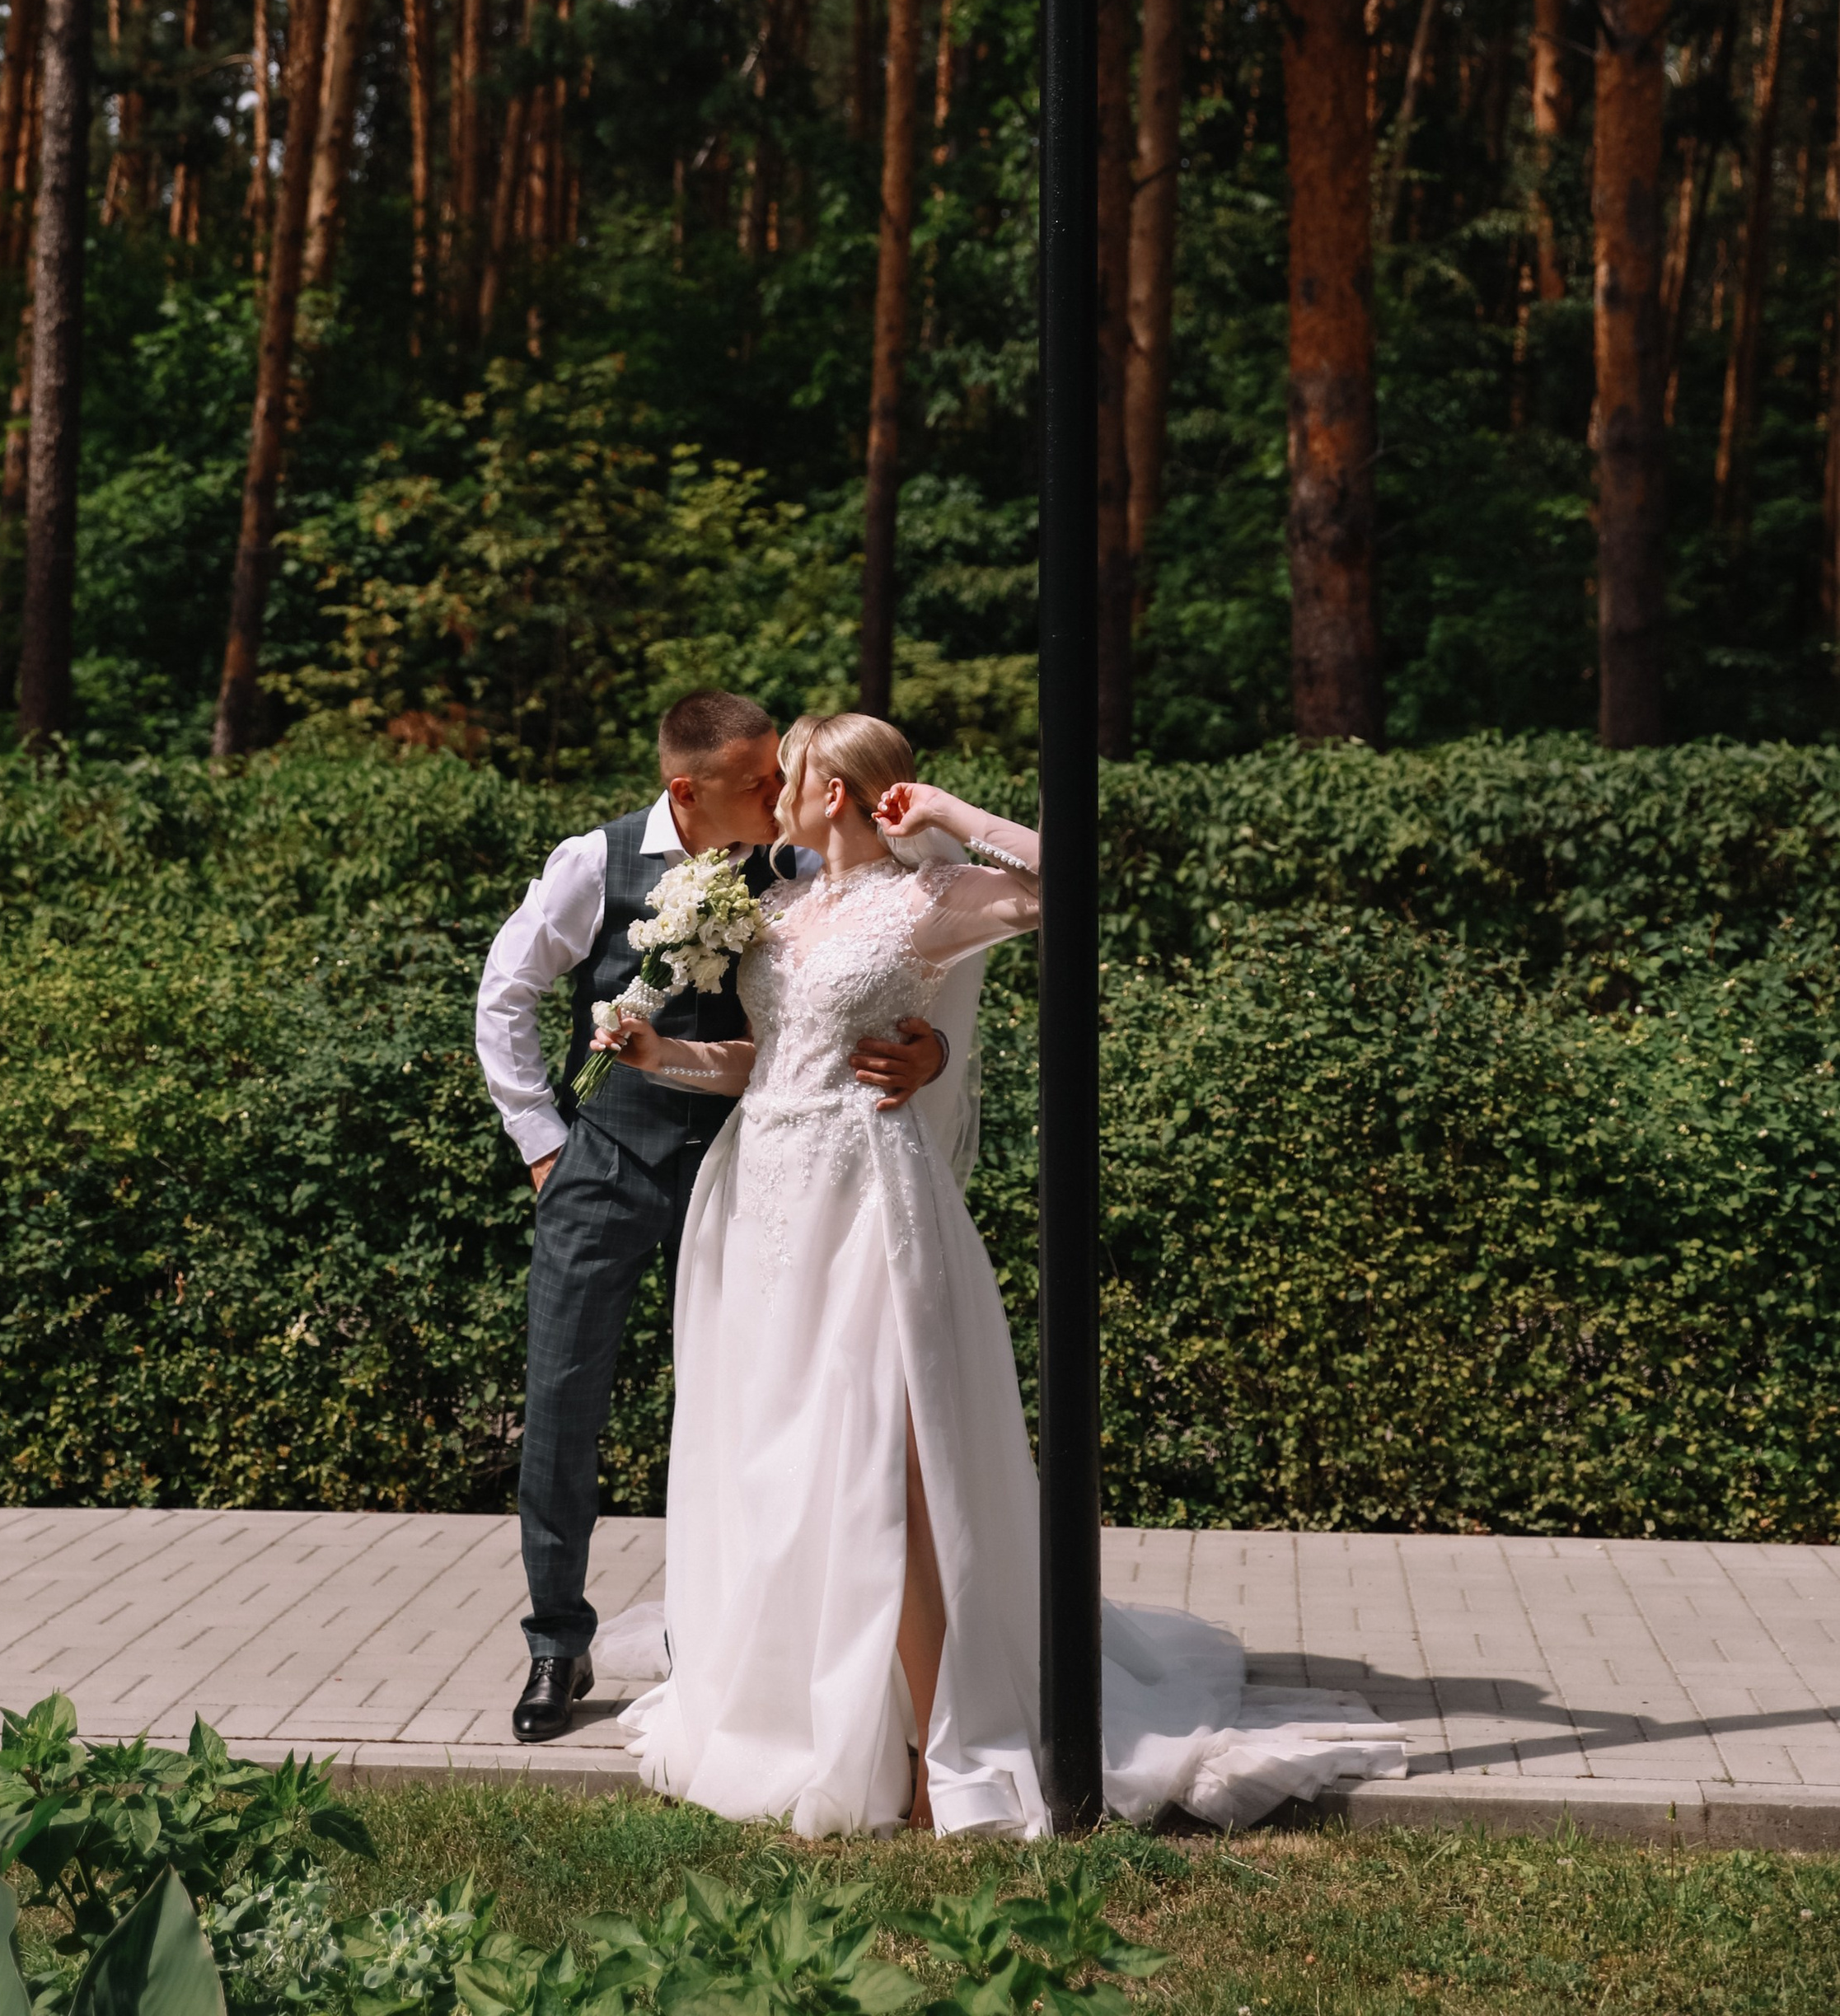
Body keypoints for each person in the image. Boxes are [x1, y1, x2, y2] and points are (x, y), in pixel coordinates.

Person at [600, 710, 1407, 1836]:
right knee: (787, 1466)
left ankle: (948, 1754)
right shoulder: (774, 909)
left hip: (867, 1203)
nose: (776, 787)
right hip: (764, 1199)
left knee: (890, 1466)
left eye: (792, 772)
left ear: (833, 790)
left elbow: (1069, 884)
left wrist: (946, 816)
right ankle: (829, 1714)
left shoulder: (929, 904)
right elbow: (763, 1061)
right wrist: (662, 1056)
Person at [475, 687, 953, 1743]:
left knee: (748, 1403)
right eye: (754, 780)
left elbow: (890, 977)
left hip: (748, 1168)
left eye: (781, 772)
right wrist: (543, 1145)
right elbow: (505, 991)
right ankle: (557, 1642)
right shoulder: (593, 864)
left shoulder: (800, 872)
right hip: (600, 1162)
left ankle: (728, 1632)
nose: (776, 793)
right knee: (561, 1399)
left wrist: (933, 1052)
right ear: (685, 791)